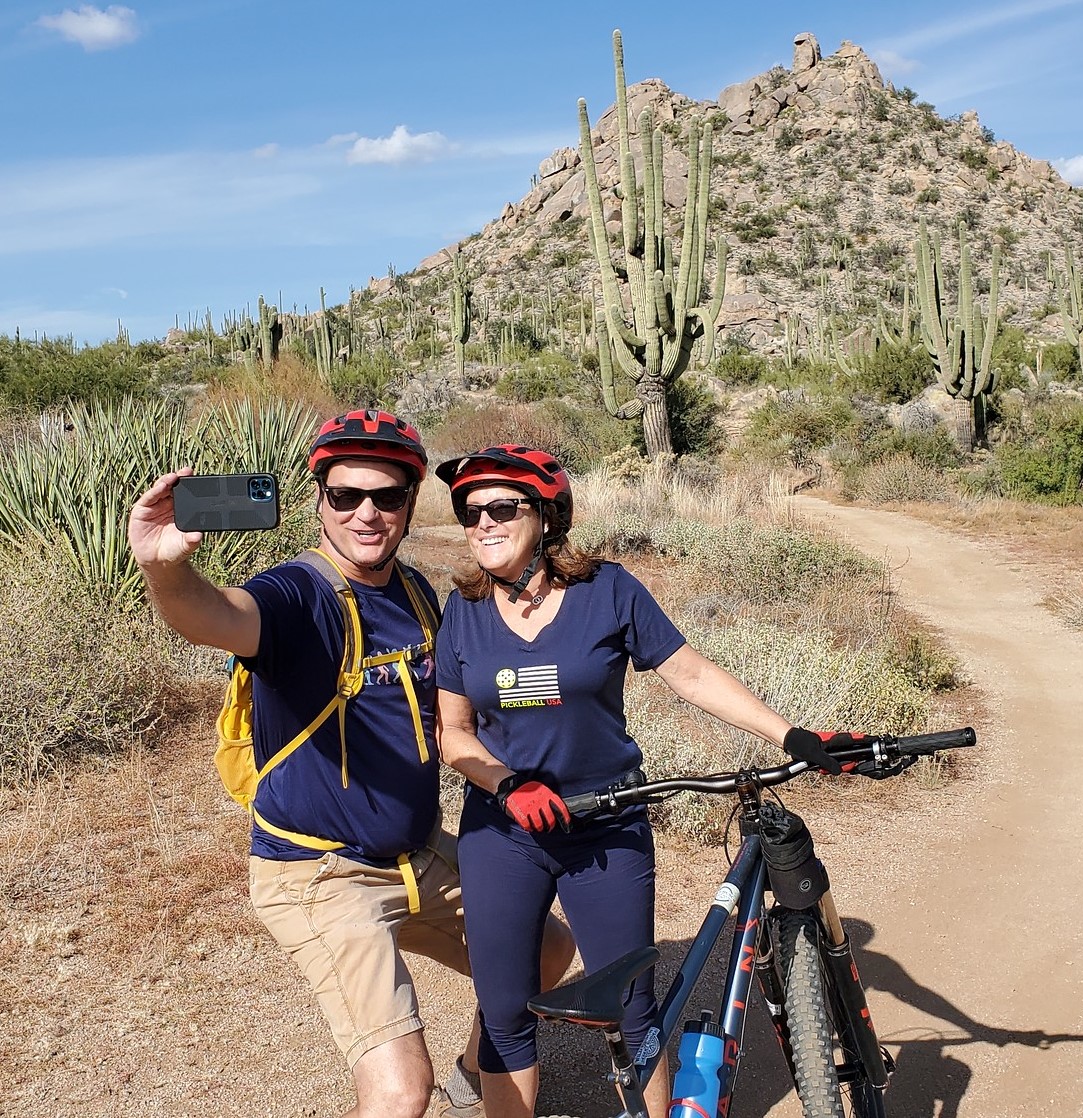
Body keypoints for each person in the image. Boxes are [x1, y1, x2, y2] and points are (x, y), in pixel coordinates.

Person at [126, 412, 573, 1118]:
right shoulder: (297, 596)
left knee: (547, 953)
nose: (367, 513)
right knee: (398, 1089)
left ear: (410, 502)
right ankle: (436, 1080)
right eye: (345, 496)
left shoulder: (418, 595)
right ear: (318, 501)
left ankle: (472, 1070)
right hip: (321, 873)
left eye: (388, 497)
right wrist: (164, 568)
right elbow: (218, 615)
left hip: (416, 854)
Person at [433, 444, 845, 1118]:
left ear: (545, 517)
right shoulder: (465, 610)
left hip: (608, 822)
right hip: (504, 833)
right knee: (505, 1009)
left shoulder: (609, 591)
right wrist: (509, 784)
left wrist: (792, 736)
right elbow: (453, 732)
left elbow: (692, 674)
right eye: (469, 510)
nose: (481, 522)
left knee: (632, 1009)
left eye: (500, 507)